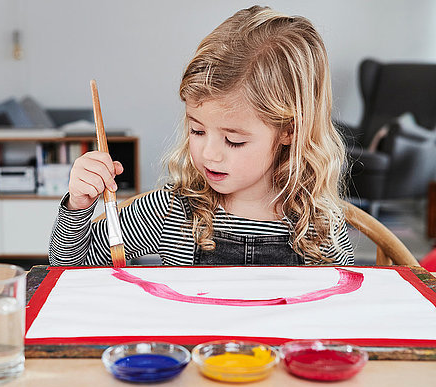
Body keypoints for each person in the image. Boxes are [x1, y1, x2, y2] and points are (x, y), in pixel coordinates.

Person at [49, 5, 354, 266]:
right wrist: (78, 206)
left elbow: (337, 316)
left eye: (233, 140)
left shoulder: (321, 225)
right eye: (197, 130)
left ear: (289, 131)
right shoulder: (172, 211)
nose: (209, 153)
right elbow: (67, 265)